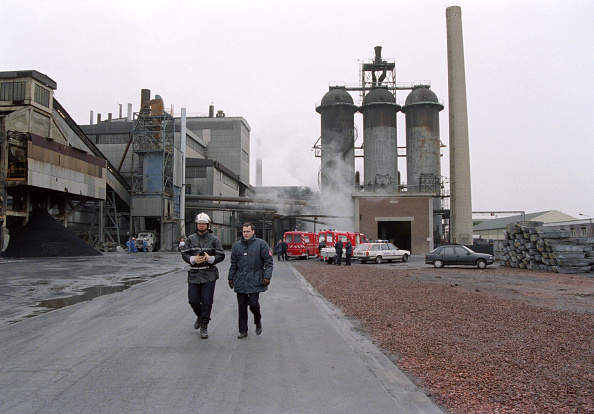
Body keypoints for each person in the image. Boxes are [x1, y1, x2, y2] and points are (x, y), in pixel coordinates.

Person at [181, 213, 225, 339]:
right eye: (199, 223)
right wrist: (192, 259)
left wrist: (210, 258)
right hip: (194, 273)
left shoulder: (214, 240)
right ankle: (201, 317)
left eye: (203, 223)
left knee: (206, 301)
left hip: (209, 274)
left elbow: (221, 255)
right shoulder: (190, 239)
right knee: (193, 300)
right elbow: (184, 254)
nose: (201, 225)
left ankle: (204, 325)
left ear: (208, 225)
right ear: (196, 225)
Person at [228, 222, 273, 339]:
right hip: (241, 280)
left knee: (253, 303)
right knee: (242, 305)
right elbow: (233, 264)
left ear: (253, 231)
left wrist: (267, 276)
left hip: (255, 279)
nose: (245, 234)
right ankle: (243, 330)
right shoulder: (237, 246)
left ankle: (257, 320)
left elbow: (268, 262)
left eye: (248, 231)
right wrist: (230, 277)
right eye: (243, 231)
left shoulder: (261, 245)